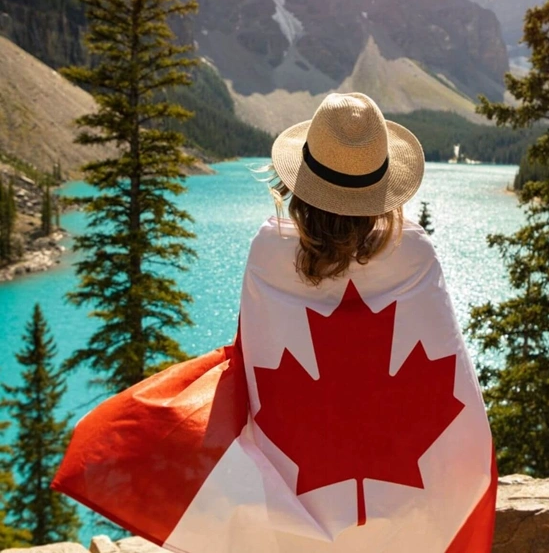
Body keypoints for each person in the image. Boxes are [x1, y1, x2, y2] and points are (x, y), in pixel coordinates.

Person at [53, 93, 496, 553]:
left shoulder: (269, 249)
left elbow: (251, 359)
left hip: (295, 505)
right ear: (383, 190)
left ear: (299, 184)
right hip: (410, 507)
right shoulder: (416, 253)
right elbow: (453, 376)